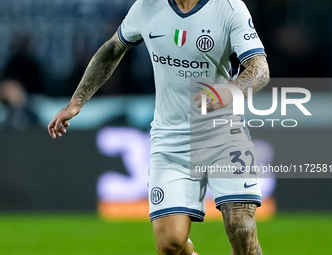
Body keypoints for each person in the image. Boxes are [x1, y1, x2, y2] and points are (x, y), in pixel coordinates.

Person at [48, 0, 270, 254]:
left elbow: (259, 69)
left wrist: (229, 92)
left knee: (242, 230)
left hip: (224, 135)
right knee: (170, 244)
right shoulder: (146, 7)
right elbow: (112, 50)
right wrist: (77, 102)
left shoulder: (229, 7)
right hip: (170, 139)